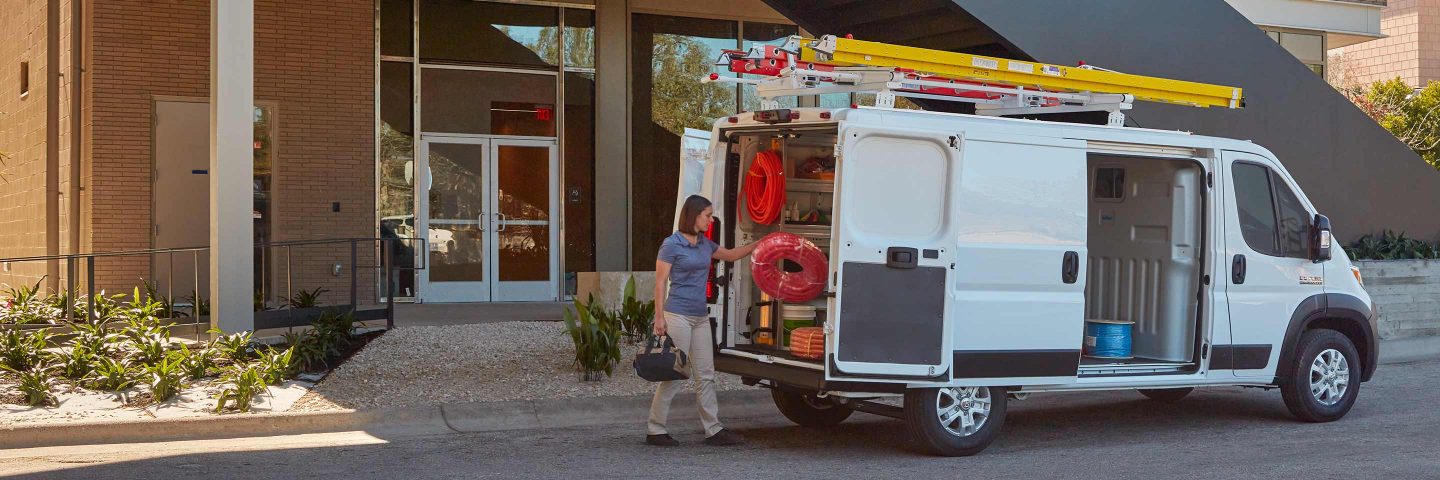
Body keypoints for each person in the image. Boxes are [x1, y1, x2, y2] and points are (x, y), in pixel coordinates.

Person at [647, 195, 759, 447]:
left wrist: (758, 244)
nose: (711, 219)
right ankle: (655, 429)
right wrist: (659, 316)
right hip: (677, 316)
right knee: (675, 374)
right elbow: (660, 282)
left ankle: (713, 429)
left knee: (706, 374)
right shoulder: (671, 244)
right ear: (694, 214)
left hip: (699, 317)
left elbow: (730, 255)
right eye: (707, 215)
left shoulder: (704, 244)